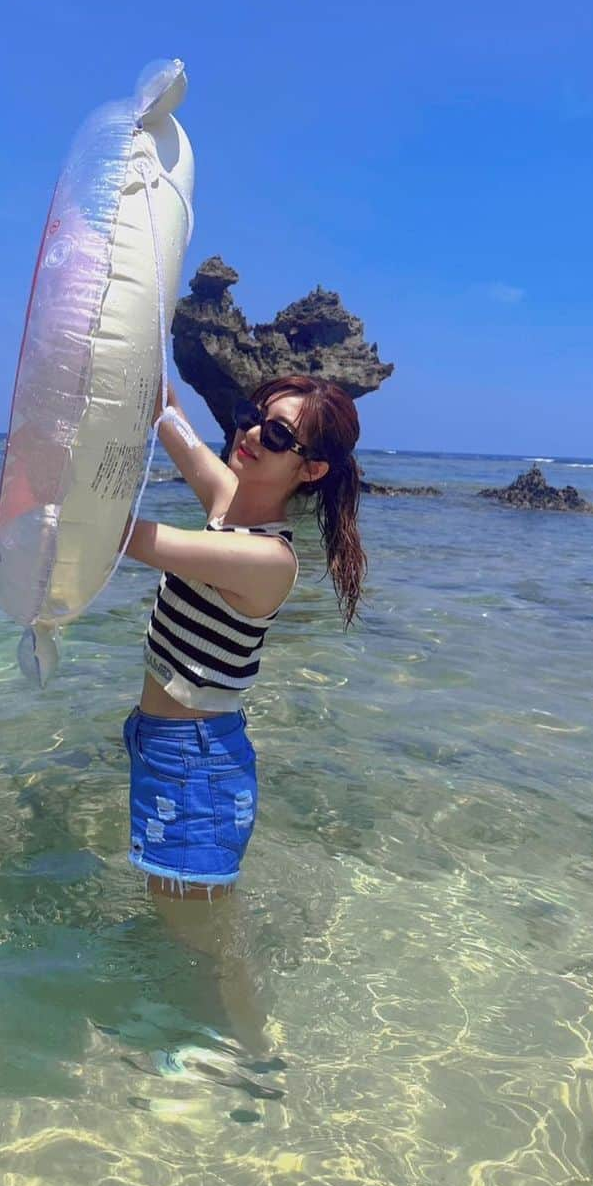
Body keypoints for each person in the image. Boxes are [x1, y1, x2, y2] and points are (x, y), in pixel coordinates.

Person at [122, 373, 366, 1052]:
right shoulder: (229, 503)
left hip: (195, 763)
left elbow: (131, 537)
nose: (254, 434)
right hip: (166, 747)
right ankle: (207, 1034)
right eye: (254, 417)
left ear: (311, 469)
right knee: (186, 920)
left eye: (279, 434)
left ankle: (245, 1056)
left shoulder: (266, 557)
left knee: (205, 938)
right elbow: (170, 418)